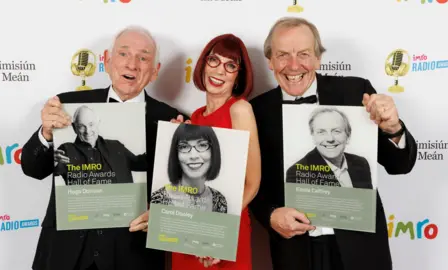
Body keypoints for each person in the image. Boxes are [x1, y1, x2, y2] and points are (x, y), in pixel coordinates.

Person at [249, 17, 417, 270]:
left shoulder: (355, 92)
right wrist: (270, 215)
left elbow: (399, 165)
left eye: (304, 54)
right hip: (296, 252)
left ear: (318, 58)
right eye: (283, 55)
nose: (293, 65)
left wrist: (393, 128)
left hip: (361, 249)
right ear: (270, 61)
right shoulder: (256, 111)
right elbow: (250, 183)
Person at [20, 25, 189, 270]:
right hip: (64, 252)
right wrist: (46, 132)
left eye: (143, 57)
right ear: (108, 61)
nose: (132, 64)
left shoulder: (171, 120)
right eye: (123, 54)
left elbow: (183, 192)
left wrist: (165, 209)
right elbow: (33, 169)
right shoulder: (67, 105)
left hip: (132, 255)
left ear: (154, 72)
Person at [171, 33, 261, 270]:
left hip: (226, 230)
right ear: (203, 64)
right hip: (190, 231)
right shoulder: (196, 117)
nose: (220, 71)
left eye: (230, 65)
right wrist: (173, 142)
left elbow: (252, 182)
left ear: (238, 76)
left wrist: (215, 232)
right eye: (214, 60)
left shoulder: (240, 110)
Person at [53, 105, 147, 186]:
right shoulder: (67, 150)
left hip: (122, 203)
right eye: (81, 126)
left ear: (98, 123)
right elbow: (49, 170)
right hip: (88, 205)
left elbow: (141, 163)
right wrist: (52, 161)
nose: (87, 131)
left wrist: (157, 140)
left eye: (91, 124)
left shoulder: (116, 146)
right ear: (74, 128)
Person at [285, 107, 373, 190]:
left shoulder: (361, 164)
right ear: (313, 136)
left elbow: (372, 203)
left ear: (348, 135)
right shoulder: (297, 172)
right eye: (321, 132)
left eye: (336, 131)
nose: (330, 139)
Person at [151, 124, 227, 213]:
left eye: (202, 145)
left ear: (213, 151)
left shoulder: (220, 200)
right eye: (184, 147)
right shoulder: (157, 201)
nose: (193, 156)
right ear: (176, 155)